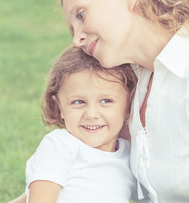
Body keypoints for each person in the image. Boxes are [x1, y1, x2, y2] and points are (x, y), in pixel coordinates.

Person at [9, 0, 189, 202]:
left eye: (81, 15)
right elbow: (79, 177)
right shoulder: (129, 82)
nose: (76, 39)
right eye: (72, 28)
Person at [25, 46, 138, 203]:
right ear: (59, 107)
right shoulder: (60, 145)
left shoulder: (130, 154)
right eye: (78, 102)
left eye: (106, 101)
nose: (91, 114)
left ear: (128, 106)